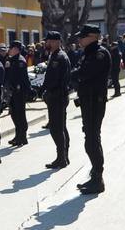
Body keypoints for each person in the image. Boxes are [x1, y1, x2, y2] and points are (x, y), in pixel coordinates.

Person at [73, 25, 110, 193]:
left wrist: (72, 74)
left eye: (82, 36)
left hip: (95, 101)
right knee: (90, 138)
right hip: (88, 101)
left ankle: (98, 179)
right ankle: (95, 175)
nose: (79, 40)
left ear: (92, 36)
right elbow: (79, 73)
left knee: (92, 139)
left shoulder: (99, 54)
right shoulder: (89, 53)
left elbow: (82, 73)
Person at [42, 31, 72, 170]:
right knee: (60, 127)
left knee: (56, 128)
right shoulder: (54, 55)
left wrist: (48, 91)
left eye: (48, 41)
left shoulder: (59, 57)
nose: (46, 43)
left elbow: (57, 80)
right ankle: (63, 156)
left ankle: (62, 158)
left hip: (57, 96)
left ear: (56, 42)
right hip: (56, 96)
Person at [4, 42, 31, 147]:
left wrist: (26, 90)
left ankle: (22, 136)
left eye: (11, 48)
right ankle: (18, 135)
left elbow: (23, 78)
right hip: (13, 91)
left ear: (16, 49)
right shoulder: (12, 60)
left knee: (20, 115)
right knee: (14, 114)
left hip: (19, 92)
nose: (9, 50)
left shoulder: (20, 61)